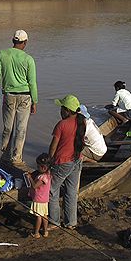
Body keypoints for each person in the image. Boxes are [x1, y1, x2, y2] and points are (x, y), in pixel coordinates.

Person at [0, 29, 38, 164]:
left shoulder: (2, 54)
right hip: (25, 97)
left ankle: (5, 152)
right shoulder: (28, 59)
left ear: (13, 41)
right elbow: (32, 82)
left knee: (8, 126)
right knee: (21, 128)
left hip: (9, 96)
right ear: (25, 42)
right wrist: (35, 101)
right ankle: (17, 157)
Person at [48, 94, 86, 230]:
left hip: (63, 162)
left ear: (67, 111)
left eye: (62, 108)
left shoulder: (62, 125)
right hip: (77, 160)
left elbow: (53, 146)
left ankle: (54, 221)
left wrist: (49, 162)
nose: (60, 111)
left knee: (52, 191)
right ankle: (71, 222)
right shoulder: (82, 122)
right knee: (71, 192)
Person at [26, 153, 52, 238]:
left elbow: (34, 186)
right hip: (45, 199)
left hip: (39, 199)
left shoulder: (42, 177)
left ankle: (36, 233)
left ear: (43, 167)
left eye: (38, 166)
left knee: (38, 216)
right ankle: (45, 231)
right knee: (44, 215)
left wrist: (30, 178)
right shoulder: (48, 175)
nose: (37, 168)